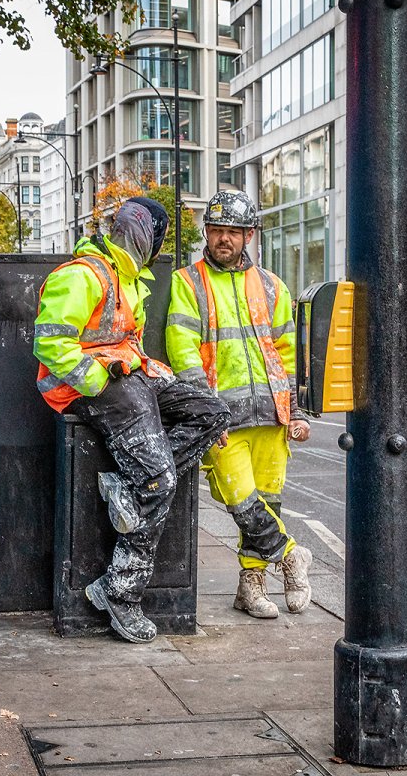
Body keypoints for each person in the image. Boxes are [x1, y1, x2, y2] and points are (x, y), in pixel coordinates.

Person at [36, 200, 231, 643]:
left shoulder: (129, 277)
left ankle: (131, 486)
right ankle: (119, 592)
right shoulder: (83, 275)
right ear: (148, 237)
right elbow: (50, 345)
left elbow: (124, 341)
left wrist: (146, 366)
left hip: (128, 379)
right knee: (160, 482)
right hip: (90, 389)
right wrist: (102, 377)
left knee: (212, 411)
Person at [167, 190, 313, 620]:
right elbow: (183, 349)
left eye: (233, 231)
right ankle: (291, 555)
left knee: (267, 502)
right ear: (206, 233)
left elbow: (288, 354)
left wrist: (297, 412)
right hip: (223, 420)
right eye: (216, 230)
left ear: (249, 234)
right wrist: (206, 414)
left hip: (271, 415)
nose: (224, 239)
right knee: (241, 501)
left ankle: (250, 588)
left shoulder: (272, 286)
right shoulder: (188, 282)